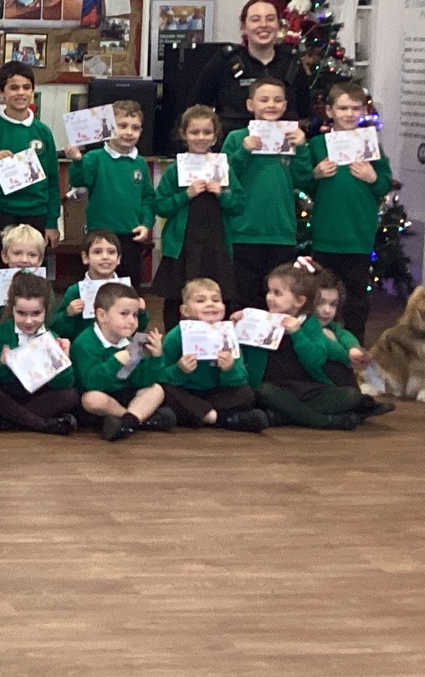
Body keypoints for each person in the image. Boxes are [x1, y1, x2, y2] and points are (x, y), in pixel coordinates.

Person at [298, 82, 394, 343]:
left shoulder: (371, 147)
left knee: (356, 301)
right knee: (321, 297)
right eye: (342, 108)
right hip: (326, 235)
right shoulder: (317, 145)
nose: (349, 114)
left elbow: (384, 183)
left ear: (363, 111)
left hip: (358, 236)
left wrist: (373, 178)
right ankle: (323, 347)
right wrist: (315, 174)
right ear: (330, 111)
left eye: (355, 108)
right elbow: (303, 181)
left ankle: (354, 350)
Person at [237, 263, 386, 429]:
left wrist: (297, 333)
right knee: (263, 391)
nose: (270, 297)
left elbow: (316, 358)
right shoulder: (260, 320)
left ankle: (282, 417)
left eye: (277, 293)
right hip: (275, 388)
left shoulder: (310, 324)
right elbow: (246, 356)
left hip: (306, 388)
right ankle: (325, 421)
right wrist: (240, 326)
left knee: (351, 395)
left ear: (299, 301)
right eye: (269, 292)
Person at [150, 104, 243, 328]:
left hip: (216, 245)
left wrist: (222, 194)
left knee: (218, 295)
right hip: (182, 247)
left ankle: (218, 339)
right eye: (194, 132)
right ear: (184, 134)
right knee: (176, 299)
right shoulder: (175, 169)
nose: (201, 137)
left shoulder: (224, 168)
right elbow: (160, 206)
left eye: (207, 132)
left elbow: (239, 205)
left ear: (215, 135)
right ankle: (175, 340)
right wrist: (186, 195)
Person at [0, 62, 60, 270]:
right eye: (13, 87)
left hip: (36, 213)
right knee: (0, 271)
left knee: (33, 273)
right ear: (1, 92)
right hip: (2, 212)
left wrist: (52, 222)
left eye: (26, 87)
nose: (21, 93)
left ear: (33, 91)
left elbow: (53, 182)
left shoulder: (43, 132)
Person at [221, 80, 302, 309]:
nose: (271, 105)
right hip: (244, 233)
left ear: (285, 105)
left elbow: (304, 178)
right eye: (264, 100)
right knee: (243, 299)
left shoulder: (292, 138)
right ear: (250, 104)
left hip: (281, 233)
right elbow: (224, 176)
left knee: (281, 300)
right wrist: (243, 152)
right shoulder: (236, 138)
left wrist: (302, 148)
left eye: (277, 100)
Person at [0, 271, 79, 435]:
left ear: (46, 310)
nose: (29, 321)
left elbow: (65, 383)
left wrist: (63, 363)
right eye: (21, 313)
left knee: (71, 395)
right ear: (12, 309)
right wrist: (1, 363)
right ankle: (41, 424)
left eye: (36, 313)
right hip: (7, 392)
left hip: (35, 396)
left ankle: (9, 420)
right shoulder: (0, 330)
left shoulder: (51, 338)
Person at [157, 278, 268, 432]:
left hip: (217, 394)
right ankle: (223, 419)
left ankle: (200, 415)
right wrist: (179, 370)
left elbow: (241, 378)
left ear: (224, 307)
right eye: (200, 300)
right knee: (163, 390)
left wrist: (229, 369)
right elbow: (160, 374)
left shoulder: (229, 335)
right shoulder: (176, 335)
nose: (210, 304)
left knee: (246, 394)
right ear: (185, 310)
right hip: (186, 391)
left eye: (216, 300)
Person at [191, 0, 314, 134]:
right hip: (233, 143)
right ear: (243, 27)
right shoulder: (224, 61)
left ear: (278, 25)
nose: (263, 25)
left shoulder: (292, 62)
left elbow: (304, 115)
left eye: (270, 19)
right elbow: (198, 109)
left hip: (283, 143)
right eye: (255, 19)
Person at [70, 281, 172, 442]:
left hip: (124, 394)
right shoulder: (84, 343)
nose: (132, 321)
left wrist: (156, 358)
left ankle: (126, 423)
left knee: (156, 389)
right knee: (92, 399)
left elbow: (140, 380)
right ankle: (138, 419)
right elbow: (92, 383)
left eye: (135, 315)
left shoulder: (131, 343)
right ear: (102, 316)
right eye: (124, 314)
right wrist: (115, 362)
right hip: (100, 399)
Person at [65, 101, 154, 283]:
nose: (129, 132)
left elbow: (148, 198)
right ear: (108, 127)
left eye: (135, 128)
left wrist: (146, 224)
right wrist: (77, 161)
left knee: (129, 286)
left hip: (131, 236)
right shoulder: (94, 158)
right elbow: (79, 181)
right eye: (122, 126)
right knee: (98, 284)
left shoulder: (140, 163)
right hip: (99, 235)